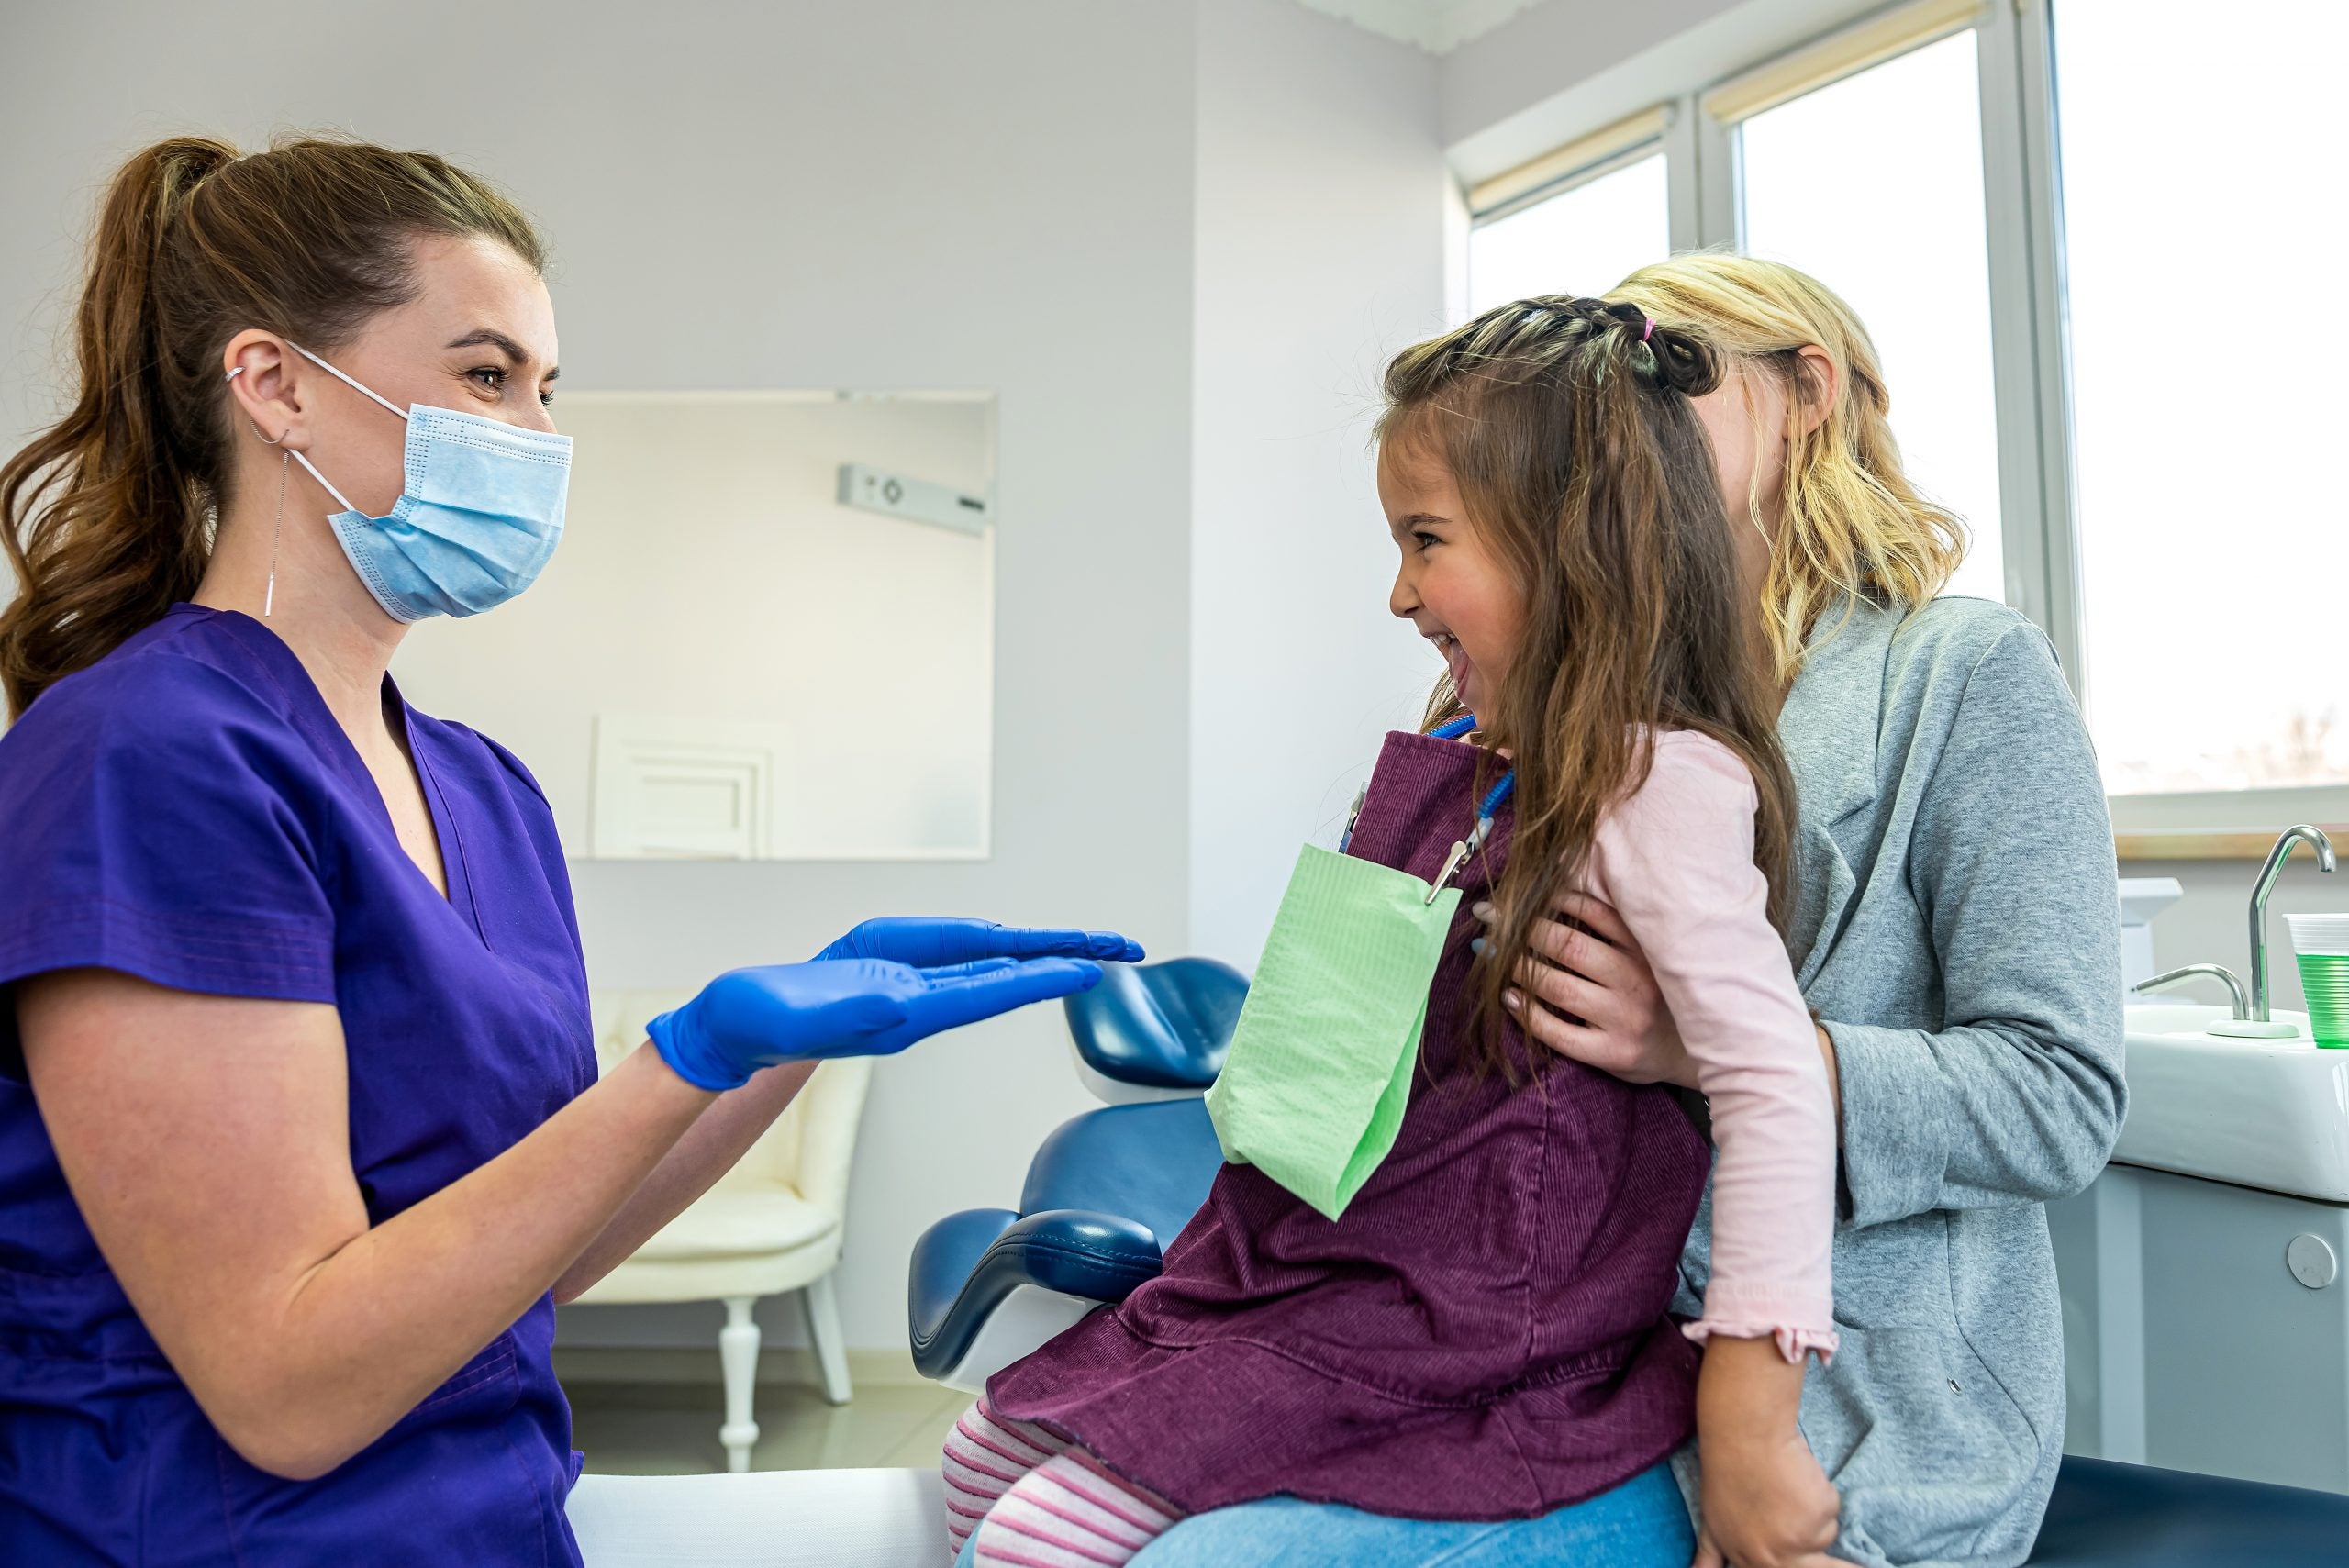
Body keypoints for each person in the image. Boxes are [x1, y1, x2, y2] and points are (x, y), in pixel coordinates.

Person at [0, 133, 1137, 1567]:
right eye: (487, 379)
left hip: (495, 1523)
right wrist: (678, 1057)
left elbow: (533, 1261)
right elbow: (283, 1386)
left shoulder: (488, 793)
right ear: (275, 382)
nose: (534, 439)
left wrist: (773, 1049)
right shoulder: (147, 757)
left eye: (546, 390)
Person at [943, 296, 1845, 1568]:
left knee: (1036, 1541)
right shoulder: (1470, 769)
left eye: (1427, 542)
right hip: (1315, 1283)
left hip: (1468, 1348)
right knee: (979, 1451)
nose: (1399, 591)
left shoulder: (1663, 784)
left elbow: (1772, 1083)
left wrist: (1754, 1421)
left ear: (1570, 544)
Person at [1380, 254, 2119, 1568]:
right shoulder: (1558, 694)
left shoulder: (1963, 675)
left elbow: (2059, 1095)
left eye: (1670, 375)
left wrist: (1707, 1048)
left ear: (1808, 393)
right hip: (1561, 1358)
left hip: (1855, 1410)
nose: (1624, 419)